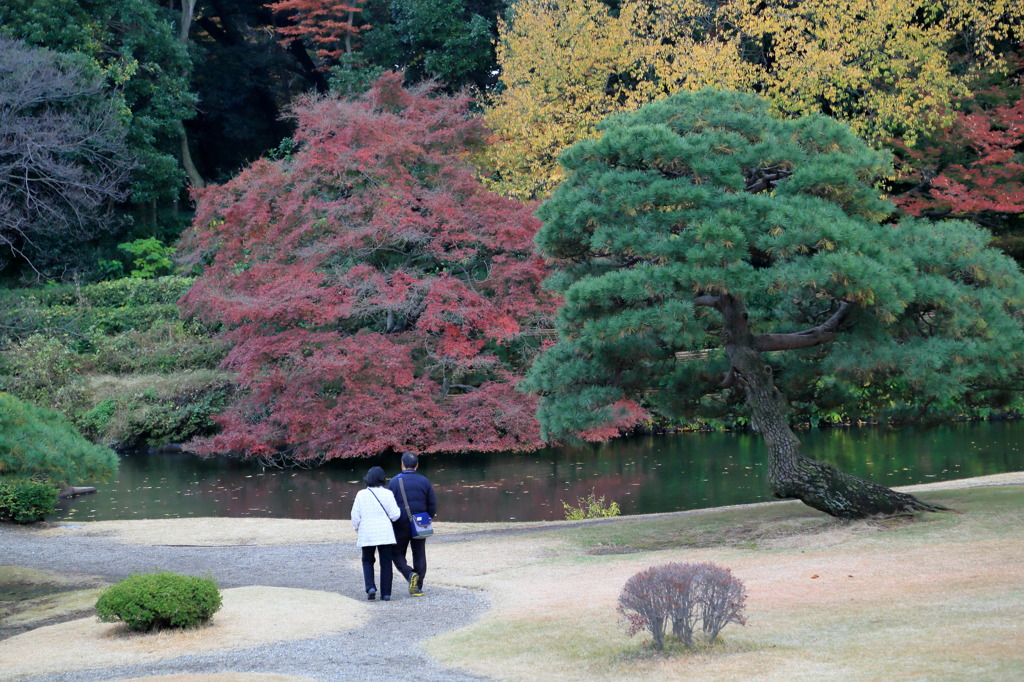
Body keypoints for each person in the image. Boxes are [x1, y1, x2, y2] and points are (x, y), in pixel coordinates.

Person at [388, 451, 436, 596]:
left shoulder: (395, 482)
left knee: (396, 553)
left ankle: (409, 574)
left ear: (402, 464)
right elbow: (432, 505)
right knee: (419, 553)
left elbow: (390, 504)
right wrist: (427, 518)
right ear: (417, 465)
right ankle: (418, 586)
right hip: (420, 523)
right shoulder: (424, 481)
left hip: (400, 523)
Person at [351, 466, 401, 601]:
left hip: (367, 532)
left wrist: (357, 528)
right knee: (386, 563)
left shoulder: (361, 494)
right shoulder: (388, 494)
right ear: (382, 478)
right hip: (384, 533)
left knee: (367, 561)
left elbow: (355, 516)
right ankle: (386, 593)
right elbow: (395, 515)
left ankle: (370, 587)